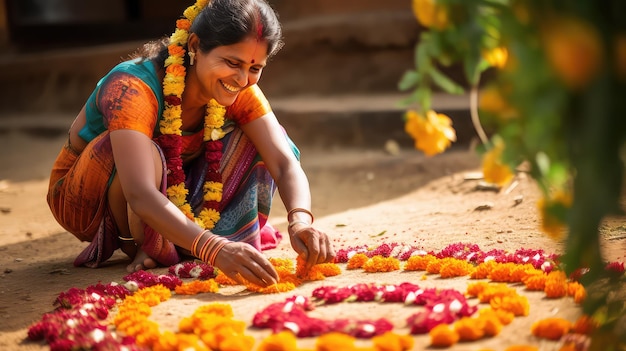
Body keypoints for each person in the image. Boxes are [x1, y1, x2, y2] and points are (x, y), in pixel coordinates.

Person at [46, 0, 335, 287]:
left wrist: (300, 221)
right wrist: (216, 250)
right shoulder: (132, 87)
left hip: (174, 187)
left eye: (255, 67)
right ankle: (148, 242)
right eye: (232, 62)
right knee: (147, 153)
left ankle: (180, 241)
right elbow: (140, 192)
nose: (243, 79)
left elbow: (284, 163)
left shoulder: (239, 86)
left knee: (268, 139)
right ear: (195, 46)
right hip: (90, 203)